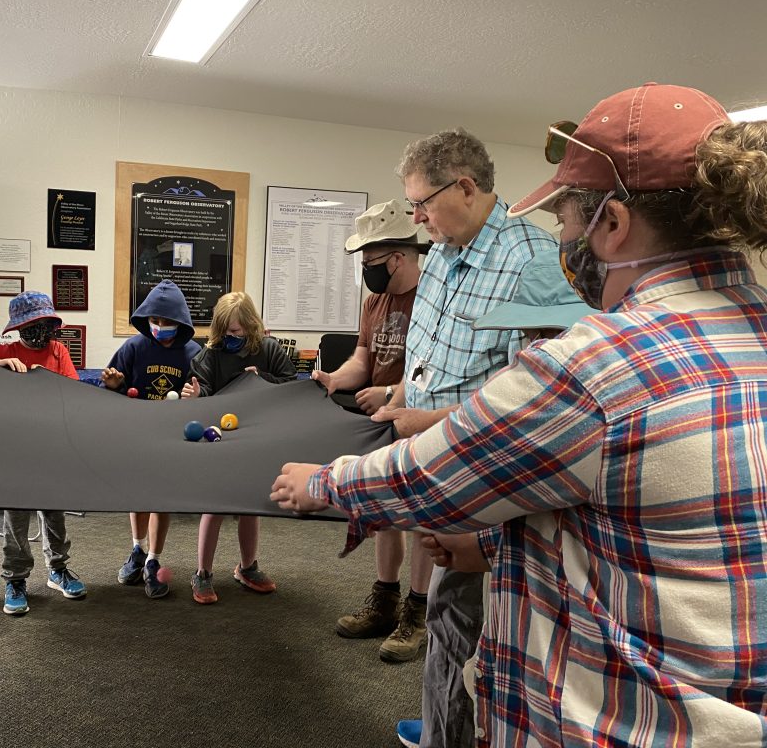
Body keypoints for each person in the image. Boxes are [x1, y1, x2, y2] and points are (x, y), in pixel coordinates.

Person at [273, 83, 767, 746]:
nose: (564, 243)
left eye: (567, 220)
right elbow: (646, 514)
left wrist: (323, 482)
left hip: (624, 719)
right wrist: (495, 541)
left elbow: (433, 473)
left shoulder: (597, 363)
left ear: (613, 224)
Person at [284, 129, 556, 747]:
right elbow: (425, 360)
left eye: (422, 203)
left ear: (465, 186)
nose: (417, 217)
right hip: (434, 468)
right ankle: (444, 723)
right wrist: (400, 398)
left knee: (471, 624)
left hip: (486, 486)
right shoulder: (439, 259)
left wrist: (421, 425)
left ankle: (452, 731)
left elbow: (533, 408)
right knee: (449, 621)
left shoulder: (534, 264)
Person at [395, 247, 591, 748]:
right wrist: (482, 548)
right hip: (523, 576)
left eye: (545, 334)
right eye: (527, 334)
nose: (533, 346)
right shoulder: (544, 382)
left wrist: (327, 483)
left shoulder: (587, 398)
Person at [312, 200, 434, 662]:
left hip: (419, 420)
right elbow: (363, 360)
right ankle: (384, 599)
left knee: (422, 517)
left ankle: (416, 613)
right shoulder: (375, 301)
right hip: (381, 424)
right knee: (383, 512)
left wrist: (390, 396)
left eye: (371, 262)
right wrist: (333, 379)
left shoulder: (430, 298)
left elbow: (429, 365)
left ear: (397, 257)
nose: (367, 271)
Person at [0, 291, 87, 614]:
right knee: (17, 517)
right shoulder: (6, 351)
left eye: (45, 325)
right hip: (15, 449)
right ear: (18, 328)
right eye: (32, 325)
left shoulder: (58, 351)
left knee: (55, 513)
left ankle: (58, 569)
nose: (40, 332)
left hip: (51, 446)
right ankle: (16, 577)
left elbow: (72, 392)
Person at [181, 292, 296, 604]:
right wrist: (195, 396)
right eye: (225, 332)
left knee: (251, 506)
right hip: (220, 438)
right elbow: (203, 387)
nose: (230, 337)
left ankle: (247, 567)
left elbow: (291, 384)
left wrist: (263, 378)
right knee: (214, 507)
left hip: (259, 438)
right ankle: (202, 573)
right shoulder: (211, 354)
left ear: (250, 325)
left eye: (237, 331)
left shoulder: (268, 349)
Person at [102, 280, 201, 598]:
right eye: (155, 321)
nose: (160, 327)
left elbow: (204, 396)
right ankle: (137, 550)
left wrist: (195, 396)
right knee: (138, 496)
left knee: (161, 500)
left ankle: (153, 561)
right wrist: (115, 386)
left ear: (181, 323)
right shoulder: (133, 348)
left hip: (171, 438)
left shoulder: (193, 352)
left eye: (167, 322)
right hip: (138, 436)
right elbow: (112, 388)